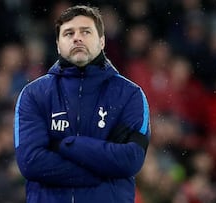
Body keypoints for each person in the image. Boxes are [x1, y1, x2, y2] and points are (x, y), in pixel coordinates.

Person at [13, 5, 151, 203]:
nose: (77, 38)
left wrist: (68, 144)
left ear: (102, 41)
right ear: (58, 44)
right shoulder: (34, 94)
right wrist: (100, 171)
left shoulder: (130, 95)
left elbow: (130, 160)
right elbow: (30, 163)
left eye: (86, 32)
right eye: (68, 33)